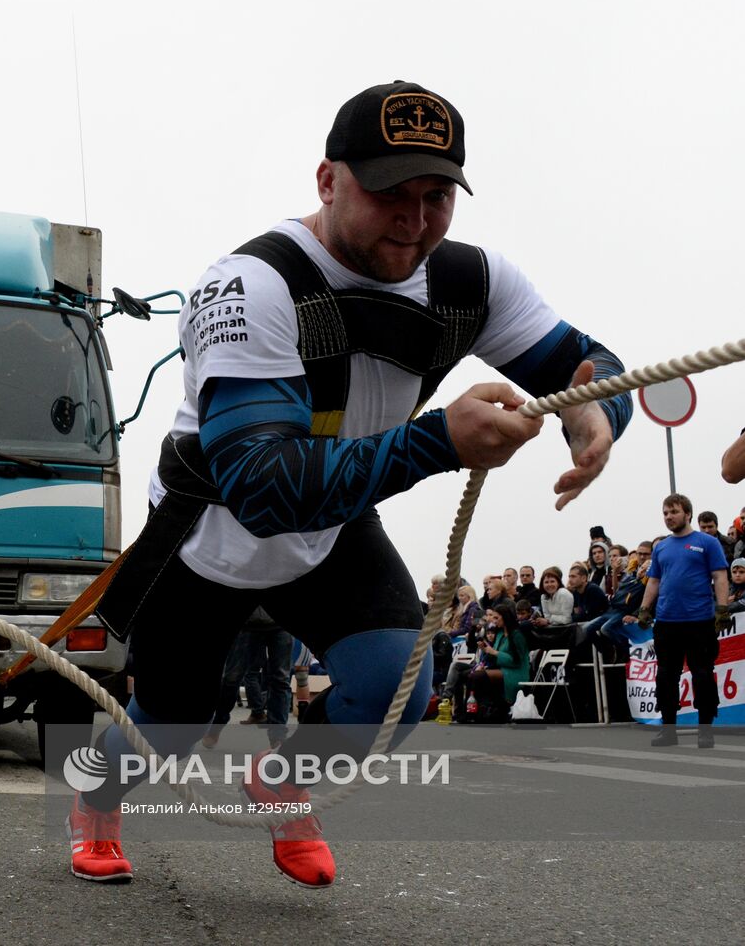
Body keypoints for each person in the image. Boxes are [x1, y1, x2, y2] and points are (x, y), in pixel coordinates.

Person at [67, 81, 631, 887]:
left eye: (436, 195)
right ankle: (95, 798)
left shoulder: (472, 282)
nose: (413, 217)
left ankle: (283, 784)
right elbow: (264, 489)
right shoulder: (248, 285)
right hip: (212, 531)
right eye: (388, 191)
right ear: (328, 180)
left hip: (334, 520)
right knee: (167, 725)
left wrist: (597, 414)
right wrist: (441, 440)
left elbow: (590, 365)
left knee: (397, 688)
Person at [641, 493, 729, 749]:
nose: (669, 517)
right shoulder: (662, 547)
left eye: (674, 512)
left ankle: (705, 730)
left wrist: (722, 608)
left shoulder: (707, 542)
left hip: (699, 620)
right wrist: (645, 608)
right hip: (667, 622)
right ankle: (669, 731)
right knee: (666, 677)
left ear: (688, 513)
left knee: (702, 674)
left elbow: (720, 576)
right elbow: (654, 580)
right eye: (665, 513)